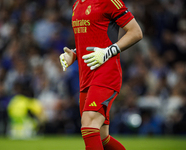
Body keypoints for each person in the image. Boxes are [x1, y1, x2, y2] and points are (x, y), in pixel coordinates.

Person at [60, 0, 143, 149]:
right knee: (102, 137)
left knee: (89, 125)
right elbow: (92, 40)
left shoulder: (108, 1)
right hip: (86, 78)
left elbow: (136, 32)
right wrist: (74, 54)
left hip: (106, 74)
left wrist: (108, 52)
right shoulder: (77, 5)